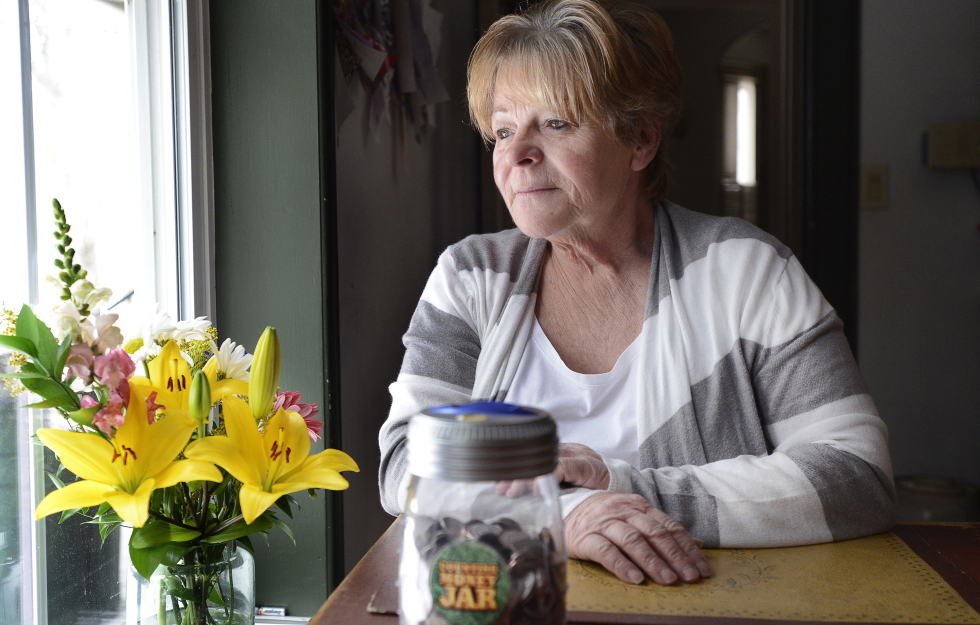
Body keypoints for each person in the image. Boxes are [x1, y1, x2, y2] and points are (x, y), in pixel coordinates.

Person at [378, 0, 895, 587]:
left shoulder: (747, 271)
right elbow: (405, 467)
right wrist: (561, 518)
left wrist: (622, 488)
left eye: (556, 123)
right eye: (502, 129)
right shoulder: (470, 279)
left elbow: (857, 477)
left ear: (641, 140)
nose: (517, 152)